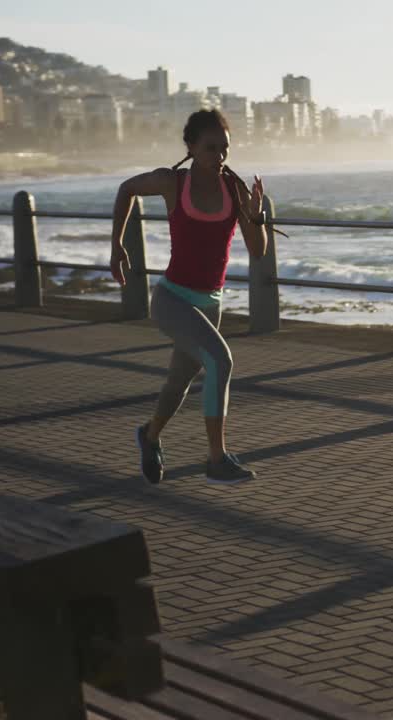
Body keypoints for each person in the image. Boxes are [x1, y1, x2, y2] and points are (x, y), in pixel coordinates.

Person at [109, 108, 267, 485]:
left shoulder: (235, 188)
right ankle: (216, 459)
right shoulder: (171, 182)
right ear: (192, 147)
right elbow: (126, 189)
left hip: (211, 303)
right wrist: (116, 245)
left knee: (177, 383)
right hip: (172, 299)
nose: (220, 156)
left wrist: (257, 216)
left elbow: (258, 251)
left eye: (224, 148)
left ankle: (149, 436)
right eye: (211, 148)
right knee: (220, 361)